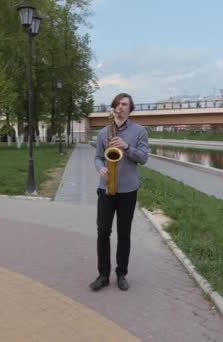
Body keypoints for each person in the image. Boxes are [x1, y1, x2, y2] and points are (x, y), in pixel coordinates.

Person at [89, 93, 149, 291]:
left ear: (130, 109)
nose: (120, 107)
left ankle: (121, 274)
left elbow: (143, 158)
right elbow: (98, 157)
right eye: (117, 104)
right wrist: (101, 169)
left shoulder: (139, 131)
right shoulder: (103, 133)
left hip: (128, 190)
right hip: (105, 188)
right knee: (103, 231)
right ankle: (103, 275)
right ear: (114, 107)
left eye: (124, 104)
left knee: (124, 233)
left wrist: (126, 146)